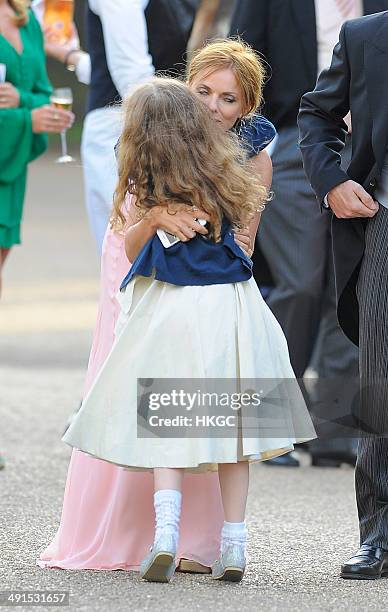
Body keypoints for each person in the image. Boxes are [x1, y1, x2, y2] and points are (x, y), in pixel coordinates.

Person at [62, 77, 316, 584]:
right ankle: (235, 544)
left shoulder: (155, 185)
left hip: (173, 312)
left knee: (168, 425)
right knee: (236, 430)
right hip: (233, 309)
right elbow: (245, 242)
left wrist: (156, 217)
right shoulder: (233, 175)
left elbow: (133, 254)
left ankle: (166, 535)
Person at [230, 0, 388, 468]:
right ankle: (272, 427)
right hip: (291, 147)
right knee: (299, 284)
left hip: (372, 159)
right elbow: (240, 66)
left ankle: (336, 432)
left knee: (353, 287)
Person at [298, 9, 388, 580]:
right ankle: (378, 535)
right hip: (382, 224)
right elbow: (317, 114)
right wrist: (331, 182)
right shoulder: (365, 36)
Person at [0, 0, 73, 295]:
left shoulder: (26, 19)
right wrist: (27, 119)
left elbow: (42, 93)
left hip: (11, 164)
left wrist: (27, 106)